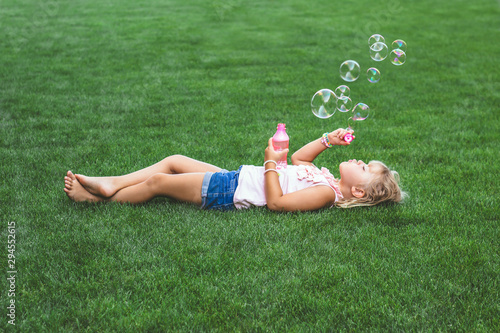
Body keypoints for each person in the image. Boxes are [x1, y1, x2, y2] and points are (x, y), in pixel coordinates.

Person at [64, 128, 405, 211]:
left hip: (229, 192)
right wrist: (326, 140)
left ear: (357, 191)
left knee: (159, 181)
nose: (360, 160)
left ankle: (103, 199)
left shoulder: (325, 194)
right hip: (236, 177)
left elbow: (275, 203)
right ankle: (112, 183)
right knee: (174, 159)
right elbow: (301, 160)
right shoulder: (327, 177)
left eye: (365, 167)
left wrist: (270, 161)